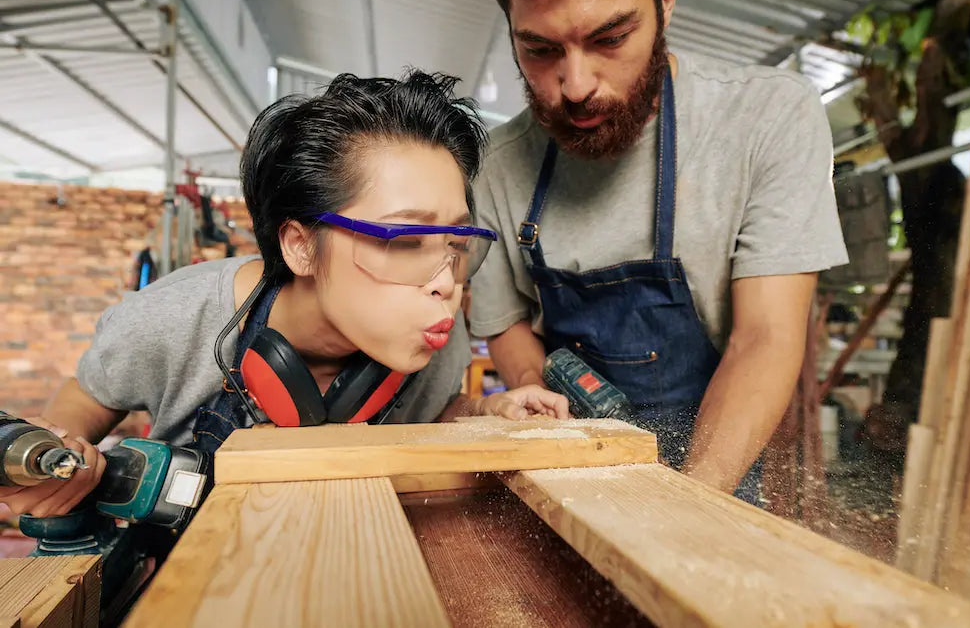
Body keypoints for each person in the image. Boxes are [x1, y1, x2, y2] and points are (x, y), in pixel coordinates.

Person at [0, 70, 568, 519]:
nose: (446, 281)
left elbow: (437, 413)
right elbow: (90, 391)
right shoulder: (179, 315)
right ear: (299, 246)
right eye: (407, 238)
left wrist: (486, 411)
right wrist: (55, 460)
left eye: (456, 241)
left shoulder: (435, 331)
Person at [470, 0, 849, 503]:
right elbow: (504, 324)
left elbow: (764, 337)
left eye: (610, 38)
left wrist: (689, 510)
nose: (575, 87)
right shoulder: (496, 168)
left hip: (719, 463)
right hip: (568, 465)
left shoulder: (767, 119)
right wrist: (538, 394)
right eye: (540, 49)